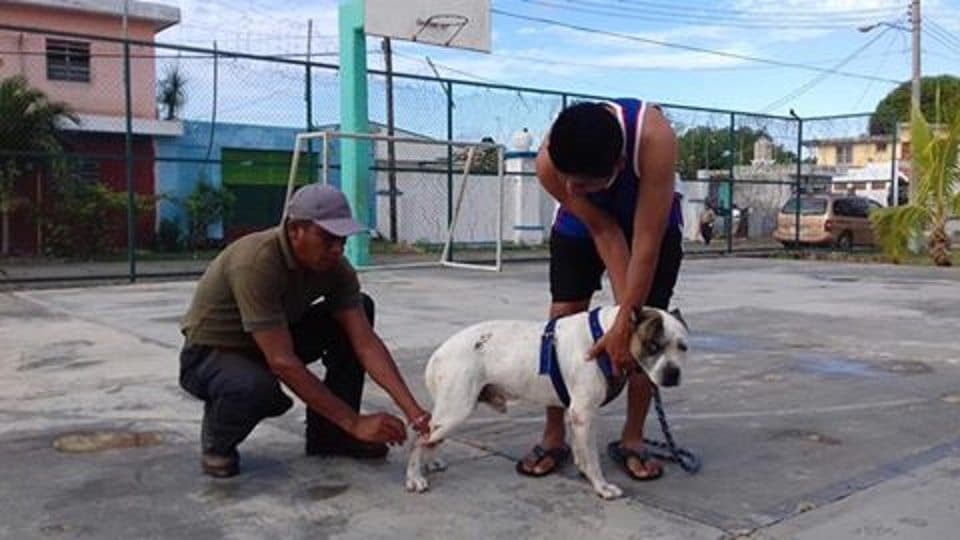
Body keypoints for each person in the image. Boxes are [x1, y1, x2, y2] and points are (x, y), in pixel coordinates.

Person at [178, 183, 430, 478]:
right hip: (213, 355)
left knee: (360, 308)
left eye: (342, 240)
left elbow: (365, 344)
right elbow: (282, 361)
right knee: (256, 389)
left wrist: (415, 412)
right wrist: (355, 422)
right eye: (327, 238)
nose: (337, 249)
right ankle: (217, 442)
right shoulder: (257, 262)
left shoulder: (337, 269)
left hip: (272, 340)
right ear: (295, 230)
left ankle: (331, 437)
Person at [517, 99, 683, 482]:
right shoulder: (548, 164)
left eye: (585, 185)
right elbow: (603, 231)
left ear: (619, 167)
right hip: (583, 227)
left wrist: (627, 323)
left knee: (646, 331)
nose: (573, 189)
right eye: (568, 181)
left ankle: (633, 440)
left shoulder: (655, 139)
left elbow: (645, 244)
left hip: (649, 227)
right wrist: (621, 322)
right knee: (562, 321)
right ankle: (555, 434)